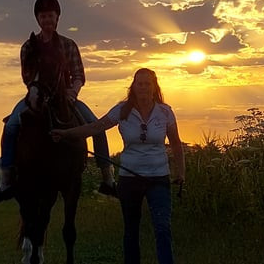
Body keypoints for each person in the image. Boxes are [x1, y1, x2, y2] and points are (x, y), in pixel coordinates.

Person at [0, 0, 116, 206]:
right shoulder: (28, 46)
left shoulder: (68, 45)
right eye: (43, 16)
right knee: (10, 127)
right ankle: (5, 183)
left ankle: (108, 179)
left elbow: (79, 75)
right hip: (37, 95)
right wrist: (37, 94)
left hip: (65, 97)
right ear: (38, 19)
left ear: (57, 18)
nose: (47, 20)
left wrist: (72, 93)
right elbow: (27, 76)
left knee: (97, 127)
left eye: (51, 16)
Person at [51, 68, 185, 264]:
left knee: (163, 228)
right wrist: (66, 134)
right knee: (131, 230)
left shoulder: (165, 112)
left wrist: (181, 172)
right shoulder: (122, 110)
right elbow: (95, 127)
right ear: (134, 86)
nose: (143, 87)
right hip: (129, 179)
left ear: (154, 86)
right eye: (140, 83)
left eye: (147, 83)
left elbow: (176, 143)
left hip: (158, 178)